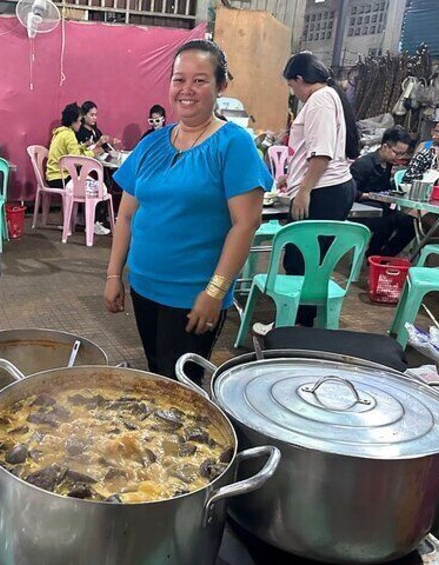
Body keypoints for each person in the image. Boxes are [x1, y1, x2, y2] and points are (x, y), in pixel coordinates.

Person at [104, 39, 271, 382]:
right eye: (179, 79)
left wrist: (215, 291)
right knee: (156, 372)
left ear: (221, 86)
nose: (187, 90)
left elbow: (245, 224)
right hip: (144, 285)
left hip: (194, 293)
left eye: (200, 80)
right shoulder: (152, 143)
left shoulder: (233, 144)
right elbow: (126, 215)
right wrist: (113, 275)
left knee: (182, 383)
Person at [279, 52, 360, 327]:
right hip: (329, 188)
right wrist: (294, 178)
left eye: (292, 86)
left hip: (323, 191)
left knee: (299, 259)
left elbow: (322, 154)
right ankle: (303, 320)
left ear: (300, 79)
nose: (294, 93)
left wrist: (303, 190)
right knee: (309, 259)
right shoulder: (328, 97)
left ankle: (297, 324)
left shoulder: (319, 101)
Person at [46, 103, 110, 236]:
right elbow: (77, 159)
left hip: (54, 175)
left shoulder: (61, 132)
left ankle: (81, 219)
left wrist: (84, 147)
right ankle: (92, 223)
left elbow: (72, 152)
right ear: (73, 121)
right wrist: (93, 152)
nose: (81, 124)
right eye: (80, 120)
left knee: (88, 181)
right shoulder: (69, 135)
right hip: (61, 177)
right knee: (97, 186)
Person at [350, 126, 415, 257]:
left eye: (403, 154)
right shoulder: (364, 164)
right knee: (387, 220)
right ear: (385, 147)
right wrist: (371, 196)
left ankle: (385, 256)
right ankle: (373, 254)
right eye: (396, 153)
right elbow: (350, 193)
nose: (399, 157)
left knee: (409, 222)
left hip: (381, 207)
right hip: (360, 210)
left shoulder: (388, 164)